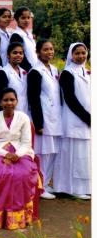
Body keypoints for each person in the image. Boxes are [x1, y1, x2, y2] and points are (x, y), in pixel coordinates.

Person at [0, 88, 39, 230]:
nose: (9, 103)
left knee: (22, 174)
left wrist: (17, 155)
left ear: (17, 101)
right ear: (0, 102)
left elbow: (27, 142)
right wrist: (5, 154)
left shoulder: (24, 117)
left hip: (21, 151)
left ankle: (20, 215)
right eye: (6, 100)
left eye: (12, 100)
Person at [53, 43, 91, 200]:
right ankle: (71, 187)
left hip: (86, 120)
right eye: (77, 53)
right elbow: (70, 98)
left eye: (83, 53)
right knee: (74, 155)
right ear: (71, 55)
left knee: (84, 155)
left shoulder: (86, 71)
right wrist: (86, 117)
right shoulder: (68, 73)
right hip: (75, 119)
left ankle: (84, 186)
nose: (81, 56)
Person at [27, 40, 62, 200]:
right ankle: (39, 185)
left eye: (51, 49)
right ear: (38, 52)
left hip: (56, 116)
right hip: (44, 117)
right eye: (45, 49)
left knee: (53, 152)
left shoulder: (54, 69)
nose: (49, 52)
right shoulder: (35, 71)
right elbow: (33, 98)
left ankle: (46, 183)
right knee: (43, 153)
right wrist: (38, 123)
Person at [0, 42, 29, 115]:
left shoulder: (24, 72)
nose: (18, 55)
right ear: (8, 55)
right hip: (9, 114)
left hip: (25, 113)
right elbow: (0, 98)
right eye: (15, 53)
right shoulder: (3, 73)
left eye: (21, 53)